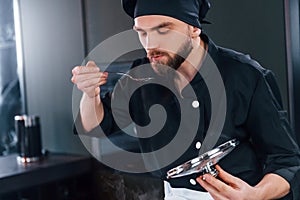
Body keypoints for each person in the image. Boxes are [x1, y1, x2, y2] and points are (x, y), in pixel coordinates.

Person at [71, 0, 300, 199]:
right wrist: (90, 94)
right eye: (142, 32)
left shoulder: (246, 76)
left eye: (163, 30)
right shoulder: (139, 76)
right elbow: (96, 125)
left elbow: (287, 162)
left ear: (193, 28)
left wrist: (255, 195)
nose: (150, 44)